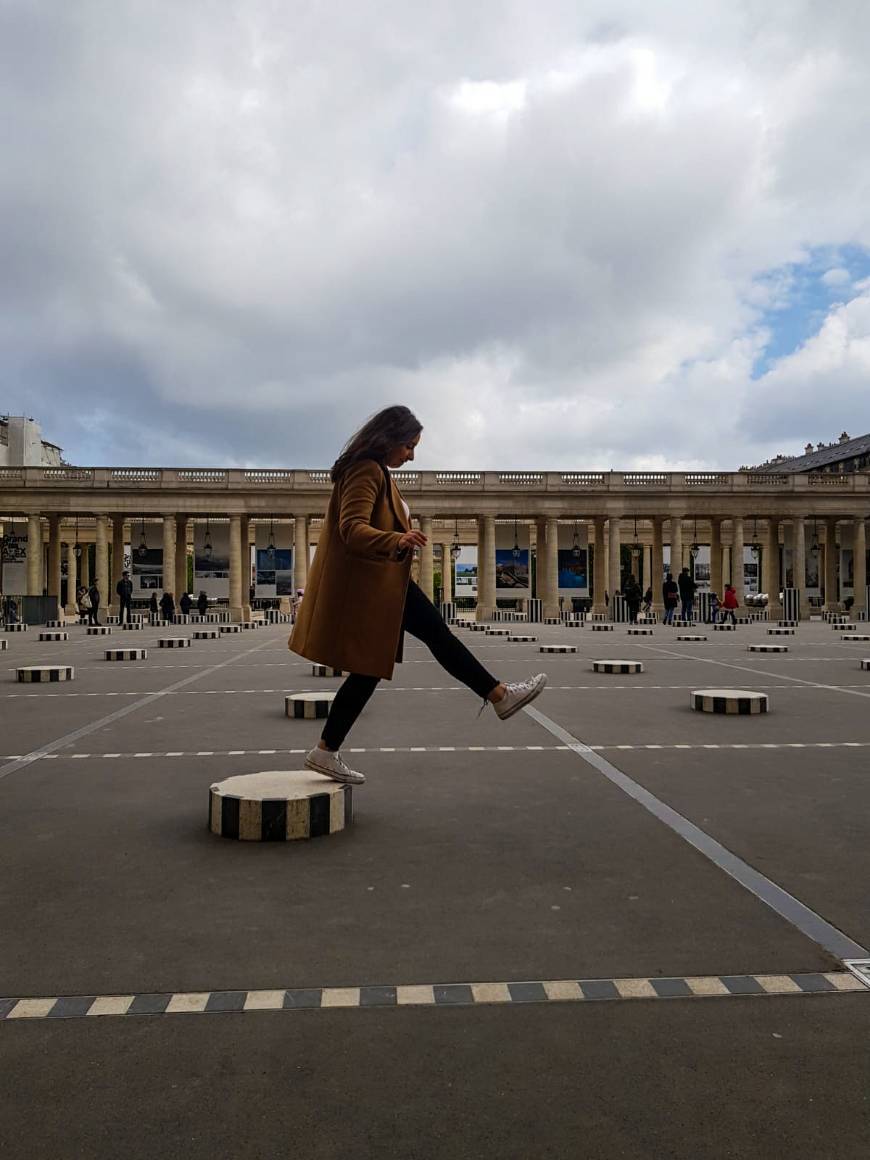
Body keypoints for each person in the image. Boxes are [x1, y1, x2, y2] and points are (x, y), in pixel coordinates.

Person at [289, 404, 548, 785]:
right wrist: (397, 538)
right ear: (389, 438)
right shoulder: (366, 470)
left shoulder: (376, 472)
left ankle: (325, 751)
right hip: (376, 584)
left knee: (369, 670)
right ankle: (499, 695)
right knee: (437, 636)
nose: (411, 455)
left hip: (384, 582)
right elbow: (352, 529)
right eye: (409, 445)